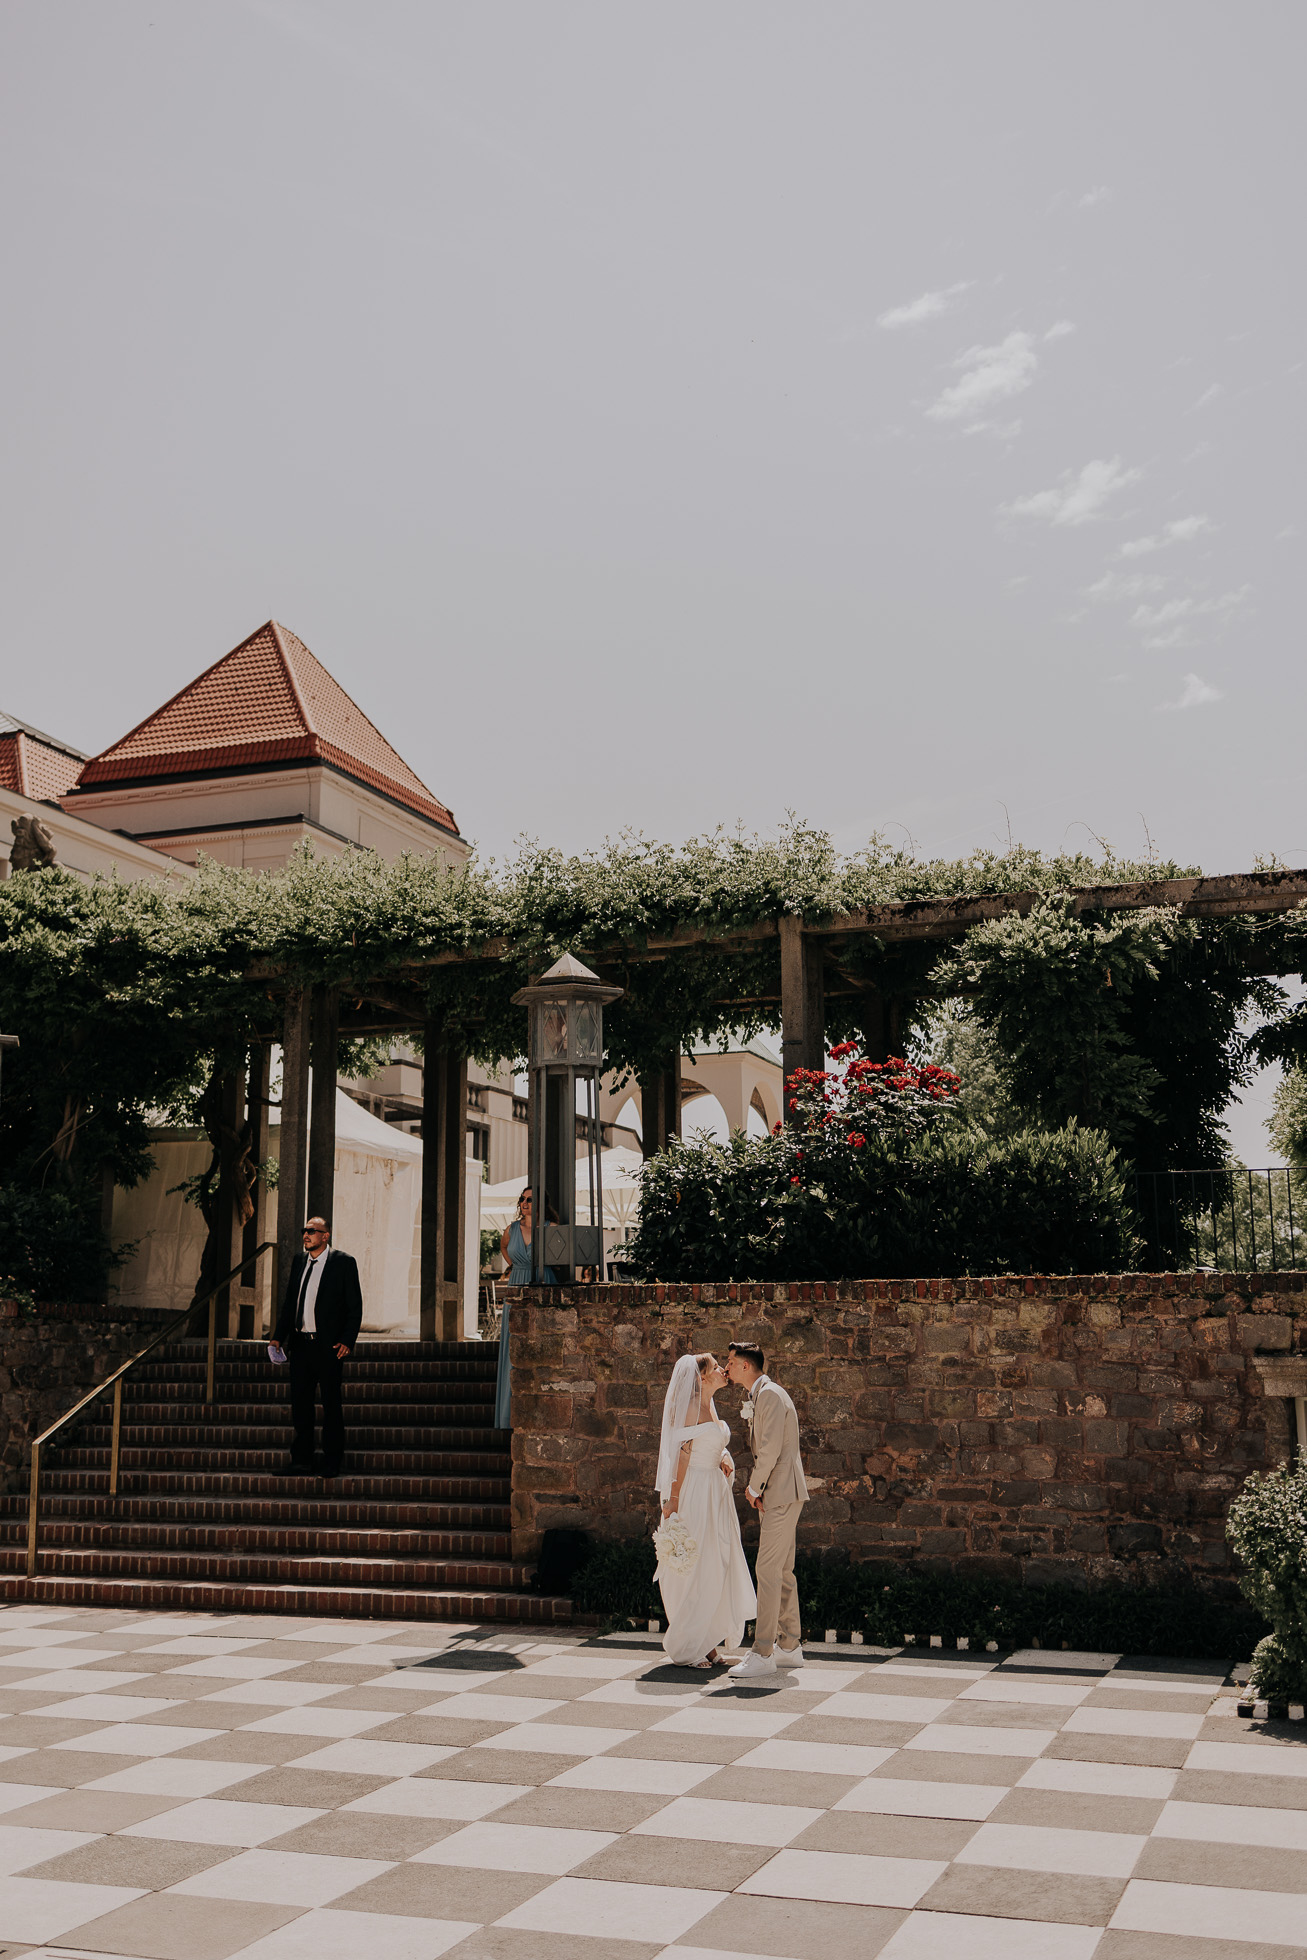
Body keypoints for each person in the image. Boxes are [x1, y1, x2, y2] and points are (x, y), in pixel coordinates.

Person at [654, 1352, 757, 1667]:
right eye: (716, 1367)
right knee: (698, 1568)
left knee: (717, 1563)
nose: (723, 1369)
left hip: (715, 1493)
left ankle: (709, 1644)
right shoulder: (687, 1408)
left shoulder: (709, 1405)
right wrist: (673, 1500)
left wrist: (723, 1454)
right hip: (694, 1493)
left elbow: (705, 1442)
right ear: (701, 1378)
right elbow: (682, 1453)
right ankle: (690, 1645)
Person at [724, 1340, 808, 1677]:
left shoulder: (770, 1395)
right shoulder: (761, 1395)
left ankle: (763, 1652)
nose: (726, 1367)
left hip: (780, 1493)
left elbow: (771, 1450)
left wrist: (754, 1487)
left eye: (729, 1362)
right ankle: (789, 1646)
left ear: (745, 1365)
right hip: (782, 1493)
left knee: (768, 1571)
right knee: (782, 1571)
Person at [270, 1216, 362, 1479]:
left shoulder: (343, 1262)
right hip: (300, 1345)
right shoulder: (299, 1261)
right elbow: (290, 1302)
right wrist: (278, 1336)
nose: (306, 1235)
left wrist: (347, 1339)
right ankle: (301, 1461)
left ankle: (332, 1461)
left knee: (331, 1405)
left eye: (312, 1231)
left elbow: (354, 1305)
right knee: (301, 1405)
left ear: (326, 1235)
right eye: (305, 1230)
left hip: (328, 1346)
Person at [494, 1190, 556, 1430]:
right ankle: (509, 1415)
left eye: (529, 1199)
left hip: (543, 1280)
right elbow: (504, 1247)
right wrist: (516, 1265)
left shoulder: (550, 1227)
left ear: (540, 1202)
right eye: (521, 1199)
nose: (524, 1203)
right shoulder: (510, 1229)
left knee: (544, 1340)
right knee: (514, 1344)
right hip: (517, 1281)